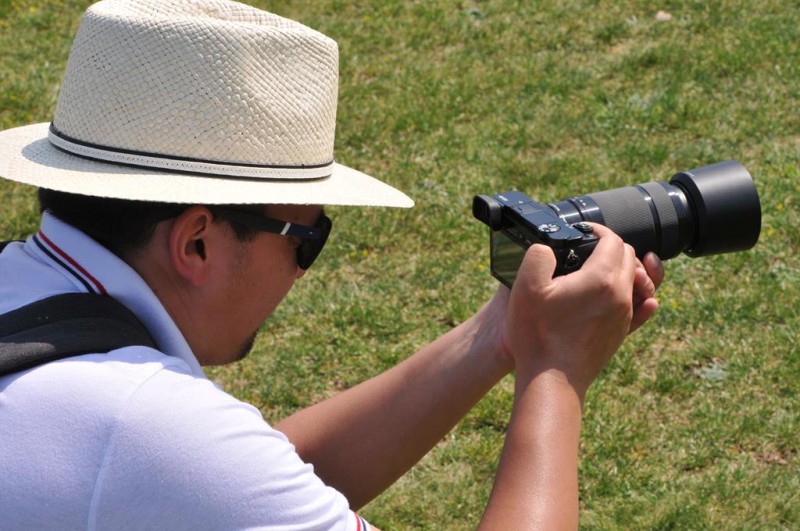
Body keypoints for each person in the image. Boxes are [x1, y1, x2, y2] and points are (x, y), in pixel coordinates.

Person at [0, 0, 664, 529]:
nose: (301, 271)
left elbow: (250, 485)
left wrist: (501, 336)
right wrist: (555, 370)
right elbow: (200, 467)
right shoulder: (146, 426)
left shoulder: (53, 337)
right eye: (307, 239)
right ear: (196, 242)